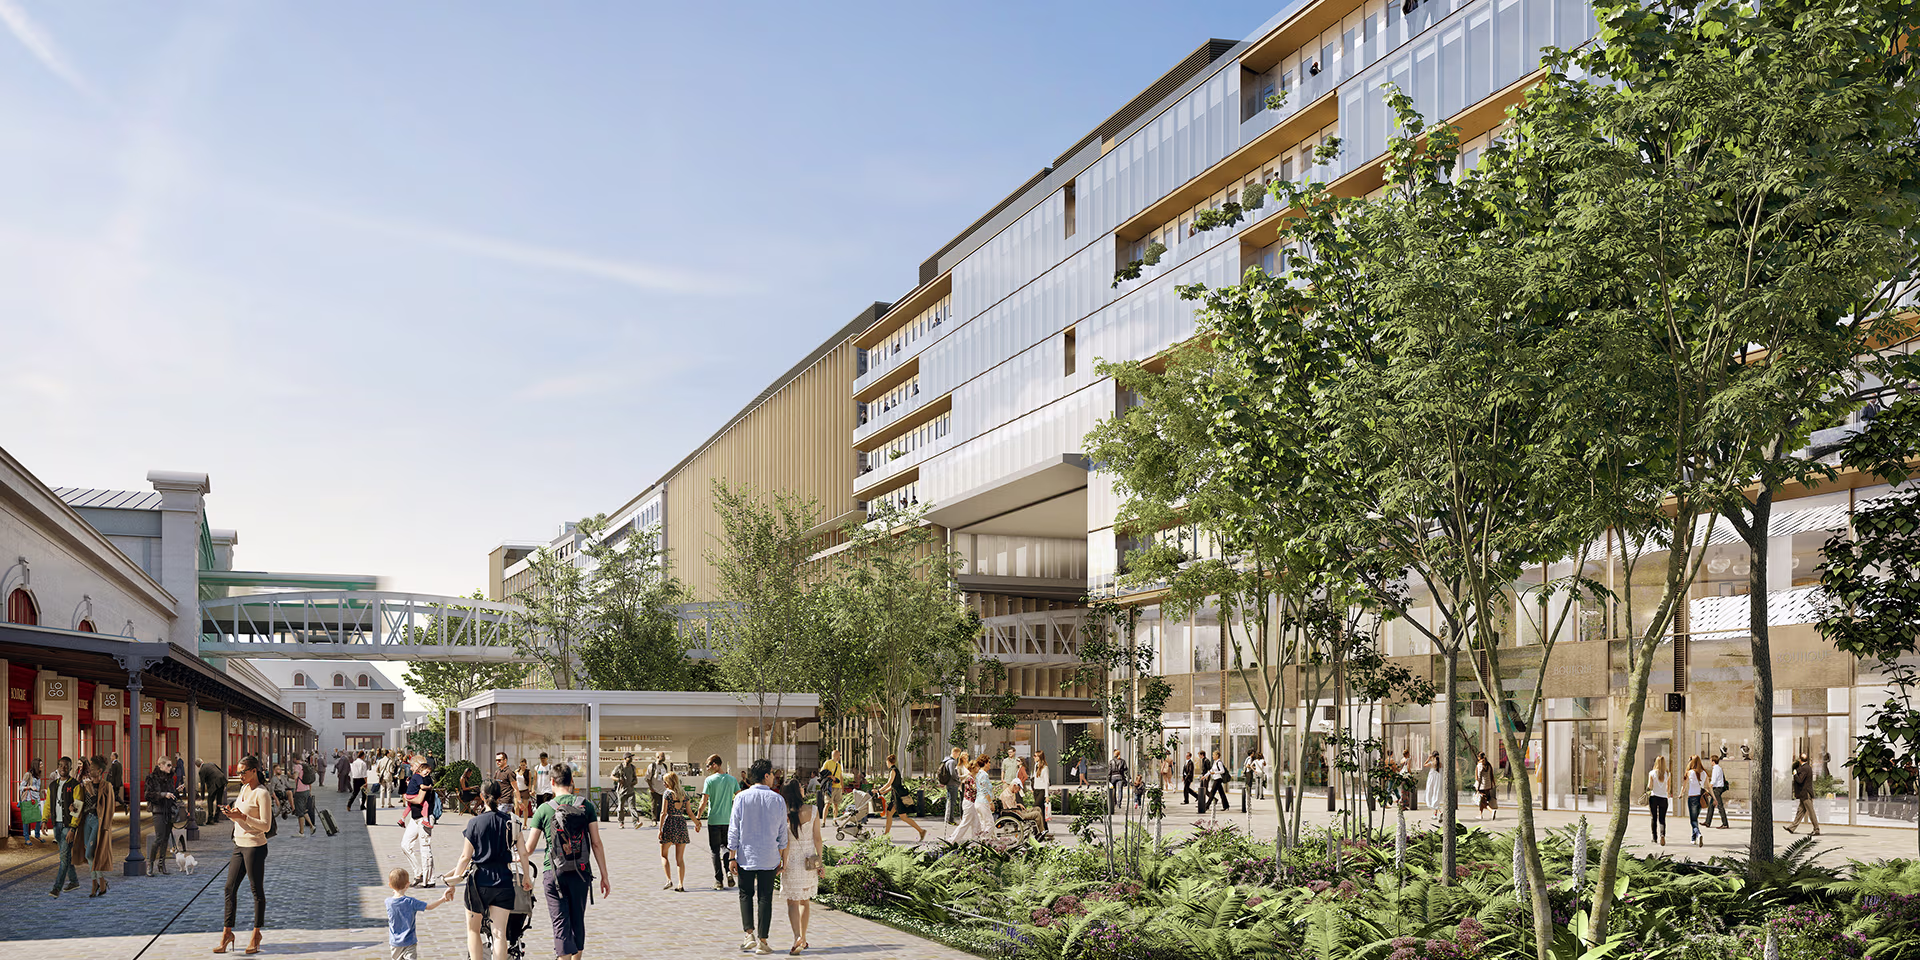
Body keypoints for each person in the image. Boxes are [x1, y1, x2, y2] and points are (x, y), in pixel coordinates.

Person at [523, 762, 609, 960]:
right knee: (578, 920)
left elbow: (529, 848)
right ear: (572, 782)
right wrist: (604, 875)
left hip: (553, 873)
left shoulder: (544, 809)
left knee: (561, 923)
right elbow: (596, 843)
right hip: (581, 871)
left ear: (551, 782)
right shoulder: (586, 806)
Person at [451, 780, 527, 960]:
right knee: (499, 932)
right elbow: (523, 853)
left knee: (473, 930)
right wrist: (527, 878)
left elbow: (465, 857)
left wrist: (452, 882)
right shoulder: (511, 822)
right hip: (504, 880)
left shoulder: (475, 823)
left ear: (482, 797)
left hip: (478, 881)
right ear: (500, 797)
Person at [213, 754, 273, 955]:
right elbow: (241, 820)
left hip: (255, 846)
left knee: (256, 891)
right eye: (238, 772)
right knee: (229, 888)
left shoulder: (262, 793)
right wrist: (232, 816)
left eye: (243, 772)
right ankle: (227, 933)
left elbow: (266, 825)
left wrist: (243, 816)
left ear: (254, 771)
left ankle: (256, 934)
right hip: (239, 844)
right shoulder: (244, 788)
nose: (239, 776)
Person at [727, 759, 788, 957]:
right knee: (765, 898)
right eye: (772, 774)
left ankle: (749, 935)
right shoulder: (777, 799)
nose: (774, 777)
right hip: (769, 857)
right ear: (766, 775)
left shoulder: (741, 798)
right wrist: (782, 856)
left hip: (745, 855)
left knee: (745, 895)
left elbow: (733, 828)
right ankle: (763, 941)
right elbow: (782, 832)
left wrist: (731, 856)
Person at [781, 779, 822, 955]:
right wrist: (820, 861)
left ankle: (797, 936)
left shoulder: (785, 814)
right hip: (809, 862)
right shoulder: (813, 810)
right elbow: (818, 839)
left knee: (792, 902)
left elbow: (785, 843)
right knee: (805, 901)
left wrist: (783, 863)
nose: (803, 789)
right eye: (801, 787)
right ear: (798, 792)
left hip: (792, 862)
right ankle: (803, 938)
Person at [384, 867, 457, 960]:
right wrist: (442, 899)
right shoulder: (411, 902)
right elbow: (429, 906)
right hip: (409, 941)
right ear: (407, 885)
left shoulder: (388, 902)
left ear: (390, 885)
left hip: (395, 943)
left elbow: (396, 898)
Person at [76, 755, 117, 898]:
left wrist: (105, 827)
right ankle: (98, 882)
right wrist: (72, 810)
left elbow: (110, 808)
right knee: (90, 855)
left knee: (89, 854)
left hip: (98, 822)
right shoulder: (85, 785)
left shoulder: (107, 786)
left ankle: (99, 882)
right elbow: (79, 804)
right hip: (86, 820)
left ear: (99, 771)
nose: (89, 770)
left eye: (92, 768)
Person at [700, 755, 740, 890]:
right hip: (728, 820)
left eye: (709, 765)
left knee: (715, 850)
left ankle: (718, 881)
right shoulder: (732, 780)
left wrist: (698, 817)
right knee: (726, 847)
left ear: (716, 764)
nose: (707, 768)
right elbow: (739, 797)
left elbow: (704, 801)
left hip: (714, 820)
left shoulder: (709, 780)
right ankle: (728, 872)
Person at [48, 756, 80, 897]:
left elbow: (78, 807)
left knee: (64, 856)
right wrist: (44, 820)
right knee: (64, 857)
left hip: (68, 826)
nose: (63, 768)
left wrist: (73, 828)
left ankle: (57, 888)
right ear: (58, 767)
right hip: (56, 825)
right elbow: (49, 804)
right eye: (60, 765)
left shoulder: (75, 785)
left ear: (70, 768)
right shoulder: (52, 785)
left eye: (66, 766)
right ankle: (74, 881)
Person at [403, 757, 438, 886]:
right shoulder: (416, 779)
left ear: (418, 765)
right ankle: (419, 872)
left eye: (412, 766)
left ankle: (429, 880)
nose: (410, 768)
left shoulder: (425, 779)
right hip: (415, 817)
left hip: (425, 817)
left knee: (425, 847)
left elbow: (418, 800)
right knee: (405, 845)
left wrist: (406, 797)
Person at [880, 754, 927, 842]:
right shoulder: (895, 770)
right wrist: (884, 792)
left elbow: (889, 783)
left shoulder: (893, 771)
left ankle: (921, 831)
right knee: (889, 814)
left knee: (903, 817)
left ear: (888, 762)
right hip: (895, 796)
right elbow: (894, 785)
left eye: (886, 762)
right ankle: (885, 835)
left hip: (898, 797)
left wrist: (879, 790)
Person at [144, 756, 179, 874]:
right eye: (168, 765)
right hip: (158, 810)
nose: (171, 768)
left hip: (169, 810)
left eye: (171, 765)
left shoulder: (170, 778)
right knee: (159, 838)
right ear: (160, 765)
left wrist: (176, 791)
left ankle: (161, 864)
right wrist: (163, 794)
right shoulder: (151, 778)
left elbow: (171, 795)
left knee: (165, 838)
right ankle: (150, 864)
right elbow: (148, 795)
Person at [658, 771, 692, 891]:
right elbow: (689, 812)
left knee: (664, 854)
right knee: (680, 859)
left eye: (665, 781)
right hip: (681, 824)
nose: (664, 783)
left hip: (670, 824)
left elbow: (663, 813)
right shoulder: (683, 794)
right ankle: (681, 884)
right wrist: (697, 822)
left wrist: (660, 829)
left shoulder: (667, 794)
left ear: (670, 782)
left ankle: (669, 880)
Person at [1787, 753, 1821, 835]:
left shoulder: (1804, 768)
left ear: (1800, 760)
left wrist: (1795, 774)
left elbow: (1800, 780)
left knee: (1811, 811)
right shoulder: (1807, 767)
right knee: (1800, 811)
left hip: (1805, 793)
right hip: (1804, 793)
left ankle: (1816, 829)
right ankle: (1792, 828)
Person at [20, 757, 44, 846]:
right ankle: (26, 838)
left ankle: (37, 834)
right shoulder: (28, 774)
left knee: (39, 818)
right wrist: (30, 787)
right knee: (27, 819)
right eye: (40, 764)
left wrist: (41, 791)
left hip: (36, 799)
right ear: (36, 765)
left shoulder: (38, 775)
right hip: (28, 800)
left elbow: (37, 788)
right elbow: (21, 787)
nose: (42, 766)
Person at [1647, 755, 1671, 846]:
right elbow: (1668, 787)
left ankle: (1654, 838)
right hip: (1663, 798)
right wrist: (1667, 794)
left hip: (1654, 797)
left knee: (1653, 818)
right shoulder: (1667, 773)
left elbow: (1650, 786)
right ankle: (1662, 834)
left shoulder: (1652, 773)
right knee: (1662, 818)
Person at [1684, 756, 1706, 846]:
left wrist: (1681, 794)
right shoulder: (1704, 773)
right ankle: (1693, 839)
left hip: (1692, 798)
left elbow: (1684, 784)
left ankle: (1698, 834)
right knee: (1695, 819)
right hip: (1700, 798)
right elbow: (1708, 786)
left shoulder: (1690, 772)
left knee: (1693, 820)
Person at [612, 754, 639, 828]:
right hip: (621, 791)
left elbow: (635, 777)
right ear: (625, 758)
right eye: (629, 757)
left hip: (630, 790)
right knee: (620, 807)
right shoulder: (619, 767)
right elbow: (612, 776)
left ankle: (636, 822)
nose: (631, 758)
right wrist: (618, 780)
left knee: (632, 807)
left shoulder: (633, 767)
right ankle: (621, 822)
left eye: (631, 757)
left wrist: (635, 781)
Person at [940, 747, 965, 825]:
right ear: (954, 753)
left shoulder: (946, 761)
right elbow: (953, 774)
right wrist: (959, 780)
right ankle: (950, 819)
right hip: (952, 784)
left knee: (949, 801)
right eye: (957, 754)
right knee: (952, 802)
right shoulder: (952, 762)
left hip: (949, 783)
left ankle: (947, 818)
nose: (958, 756)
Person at [292, 754, 316, 836]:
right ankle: (312, 826)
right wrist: (310, 791)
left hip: (300, 791)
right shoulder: (305, 765)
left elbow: (295, 776)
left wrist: (289, 775)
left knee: (300, 812)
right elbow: (309, 780)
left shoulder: (297, 766)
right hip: (306, 790)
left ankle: (301, 832)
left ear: (295, 758)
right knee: (303, 810)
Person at [645, 752, 670, 827]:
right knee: (654, 806)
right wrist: (651, 788)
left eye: (664, 756)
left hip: (664, 789)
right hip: (655, 789)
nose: (664, 757)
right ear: (657, 757)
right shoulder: (652, 766)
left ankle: (664, 820)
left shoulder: (664, 766)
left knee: (664, 805)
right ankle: (654, 820)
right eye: (662, 756)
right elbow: (648, 778)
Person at [201, 758, 227, 825]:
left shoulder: (202, 770)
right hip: (221, 781)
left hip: (214, 784)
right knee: (219, 800)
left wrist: (202, 796)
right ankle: (217, 817)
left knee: (210, 800)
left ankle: (210, 818)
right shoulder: (211, 764)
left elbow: (202, 784)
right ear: (202, 761)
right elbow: (220, 771)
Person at [1032, 750, 1051, 834]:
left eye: (1035, 756)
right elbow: (1034, 778)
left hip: (1042, 790)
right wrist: (1032, 787)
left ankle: (1035, 829)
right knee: (1041, 810)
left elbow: (1046, 782)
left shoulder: (1045, 768)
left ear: (1039, 757)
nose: (1034, 757)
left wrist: (1047, 795)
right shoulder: (1035, 765)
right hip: (1036, 790)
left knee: (1035, 808)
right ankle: (1045, 828)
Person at [1710, 754, 1731, 828]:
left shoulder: (1715, 769)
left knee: (1720, 806)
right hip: (1719, 788)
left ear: (1713, 761)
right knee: (1711, 805)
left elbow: (1714, 780)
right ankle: (1707, 822)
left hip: (1717, 789)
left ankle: (1725, 824)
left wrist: (1709, 786)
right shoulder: (1719, 768)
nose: (1710, 762)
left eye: (1711, 760)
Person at [1475, 753, 1497, 821]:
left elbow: (1479, 778)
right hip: (1488, 786)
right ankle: (1480, 815)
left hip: (1482, 786)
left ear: (1479, 758)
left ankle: (1491, 811)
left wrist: (1477, 787)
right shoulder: (1488, 765)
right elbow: (1491, 775)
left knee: (1483, 802)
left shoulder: (1480, 765)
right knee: (1482, 801)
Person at [1107, 748, 1130, 814]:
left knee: (1113, 791)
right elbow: (1126, 770)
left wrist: (1108, 779)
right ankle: (1119, 804)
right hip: (1120, 777)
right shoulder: (1122, 761)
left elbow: (1109, 771)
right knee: (1120, 790)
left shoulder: (1111, 761)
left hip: (1113, 777)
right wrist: (1129, 778)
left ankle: (1115, 802)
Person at [1424, 751, 1444, 823]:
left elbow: (1424, 765)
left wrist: (1428, 758)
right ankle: (1435, 813)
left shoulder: (1432, 763)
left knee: (1431, 794)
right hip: (1438, 781)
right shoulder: (1440, 764)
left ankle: (1439, 811)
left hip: (1432, 780)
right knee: (1436, 795)